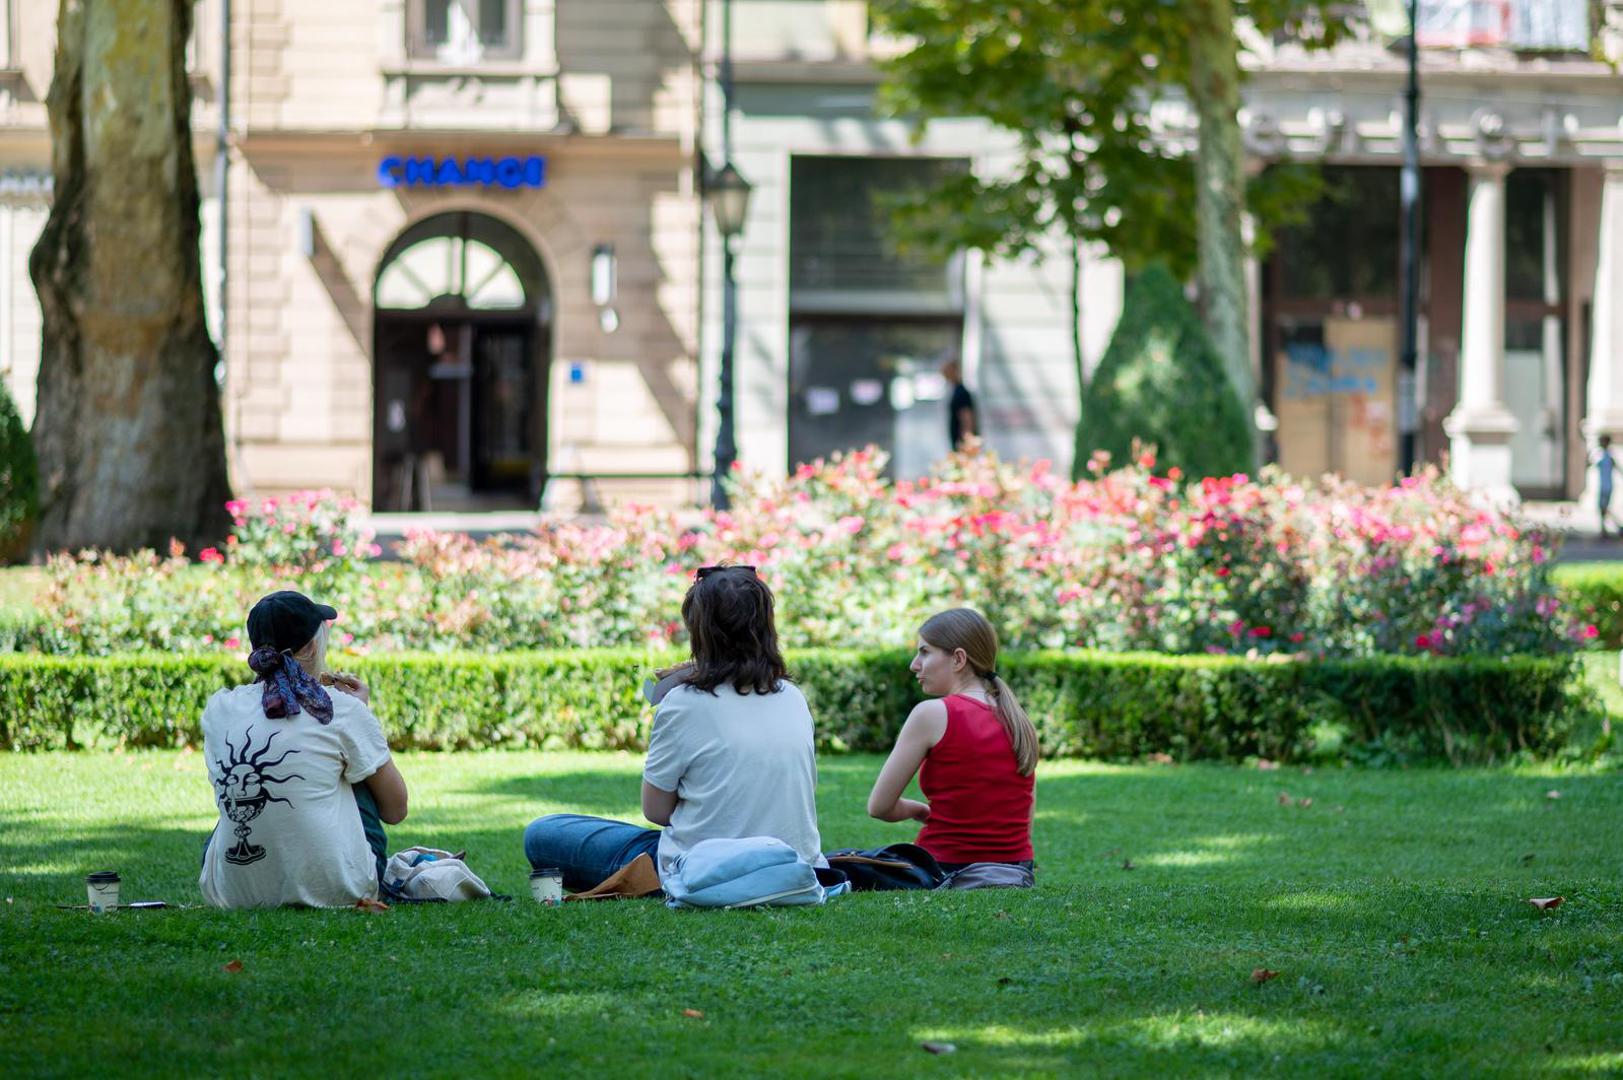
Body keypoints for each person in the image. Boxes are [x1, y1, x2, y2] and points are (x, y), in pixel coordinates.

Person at [524, 566, 822, 892]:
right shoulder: (792, 697)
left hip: (700, 867)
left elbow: (656, 811)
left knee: (543, 834)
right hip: (795, 865)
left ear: (699, 630)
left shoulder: (684, 702)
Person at [199, 590, 408, 908]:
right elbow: (395, 810)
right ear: (312, 646)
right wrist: (361, 715)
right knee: (356, 780)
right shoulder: (339, 709)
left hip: (231, 892)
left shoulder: (219, 708)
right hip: (337, 889)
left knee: (241, 795)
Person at [866, 608, 1036, 882]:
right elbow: (1024, 821)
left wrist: (919, 810)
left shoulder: (932, 714)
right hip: (1016, 870)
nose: (914, 664)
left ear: (958, 659)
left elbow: (879, 806)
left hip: (947, 868)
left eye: (924, 652)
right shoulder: (1019, 719)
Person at [942, 359, 978, 452]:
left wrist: (967, 439)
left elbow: (967, 417)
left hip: (962, 443)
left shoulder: (961, 392)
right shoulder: (956, 391)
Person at [1598, 435, 1617, 538]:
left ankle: (1606, 527)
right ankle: (1604, 527)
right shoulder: (1602, 455)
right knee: (1602, 507)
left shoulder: (1606, 456)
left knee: (1603, 507)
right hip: (1605, 485)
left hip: (1606, 486)